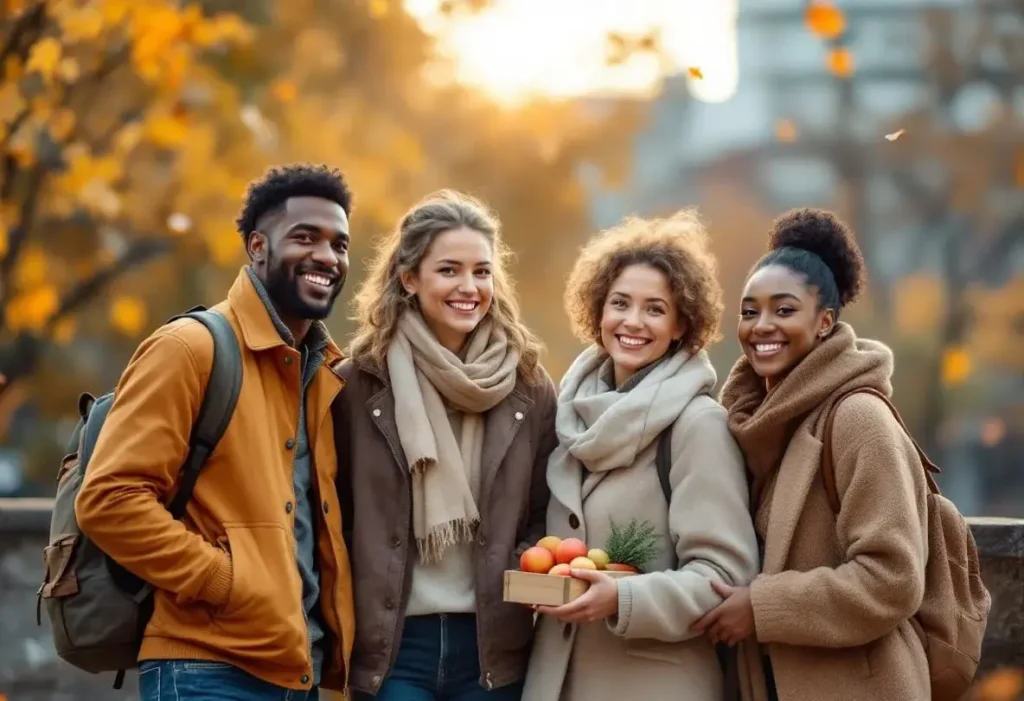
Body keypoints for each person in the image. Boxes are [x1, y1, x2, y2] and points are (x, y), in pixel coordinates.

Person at [75, 164, 357, 701]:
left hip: (299, 674)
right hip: (205, 671)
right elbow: (110, 500)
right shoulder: (190, 348)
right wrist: (224, 581)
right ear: (257, 247)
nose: (327, 256)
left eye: (339, 244)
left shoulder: (322, 375)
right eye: (305, 237)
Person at [521, 210, 760, 701]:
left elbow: (725, 577)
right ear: (598, 313)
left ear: (680, 326)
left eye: (654, 309)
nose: (632, 321)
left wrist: (623, 598)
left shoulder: (698, 425)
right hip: (559, 681)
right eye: (620, 303)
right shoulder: (569, 415)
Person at [697, 208, 931, 701]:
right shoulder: (753, 422)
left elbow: (892, 578)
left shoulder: (858, 418)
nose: (762, 326)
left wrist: (762, 608)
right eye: (749, 311)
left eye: (784, 311)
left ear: (824, 322)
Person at [334, 190, 557, 700]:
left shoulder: (529, 385)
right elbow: (334, 511)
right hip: (392, 646)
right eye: (449, 270)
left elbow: (547, 509)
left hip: (491, 646)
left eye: (482, 272)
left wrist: (525, 569)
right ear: (409, 279)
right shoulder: (356, 385)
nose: (469, 287)